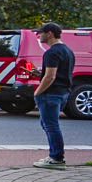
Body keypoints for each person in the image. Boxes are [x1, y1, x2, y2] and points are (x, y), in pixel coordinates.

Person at [33, 22, 74, 170]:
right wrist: (40, 73)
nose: (39, 35)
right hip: (63, 92)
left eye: (41, 32)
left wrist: (37, 92)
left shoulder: (51, 52)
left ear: (49, 33)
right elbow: (60, 73)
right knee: (48, 124)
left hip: (51, 94)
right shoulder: (67, 51)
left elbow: (50, 77)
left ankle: (56, 158)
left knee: (51, 126)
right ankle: (55, 156)